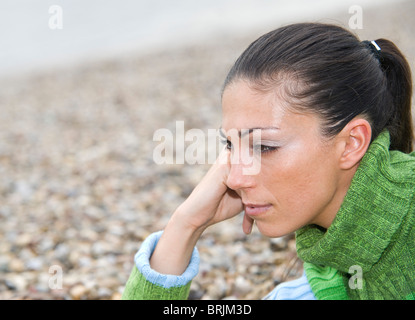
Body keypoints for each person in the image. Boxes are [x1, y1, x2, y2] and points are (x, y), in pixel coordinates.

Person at [122, 23, 415, 300]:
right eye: (230, 145)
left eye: (263, 146)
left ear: (352, 143)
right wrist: (186, 224)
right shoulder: (320, 282)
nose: (235, 179)